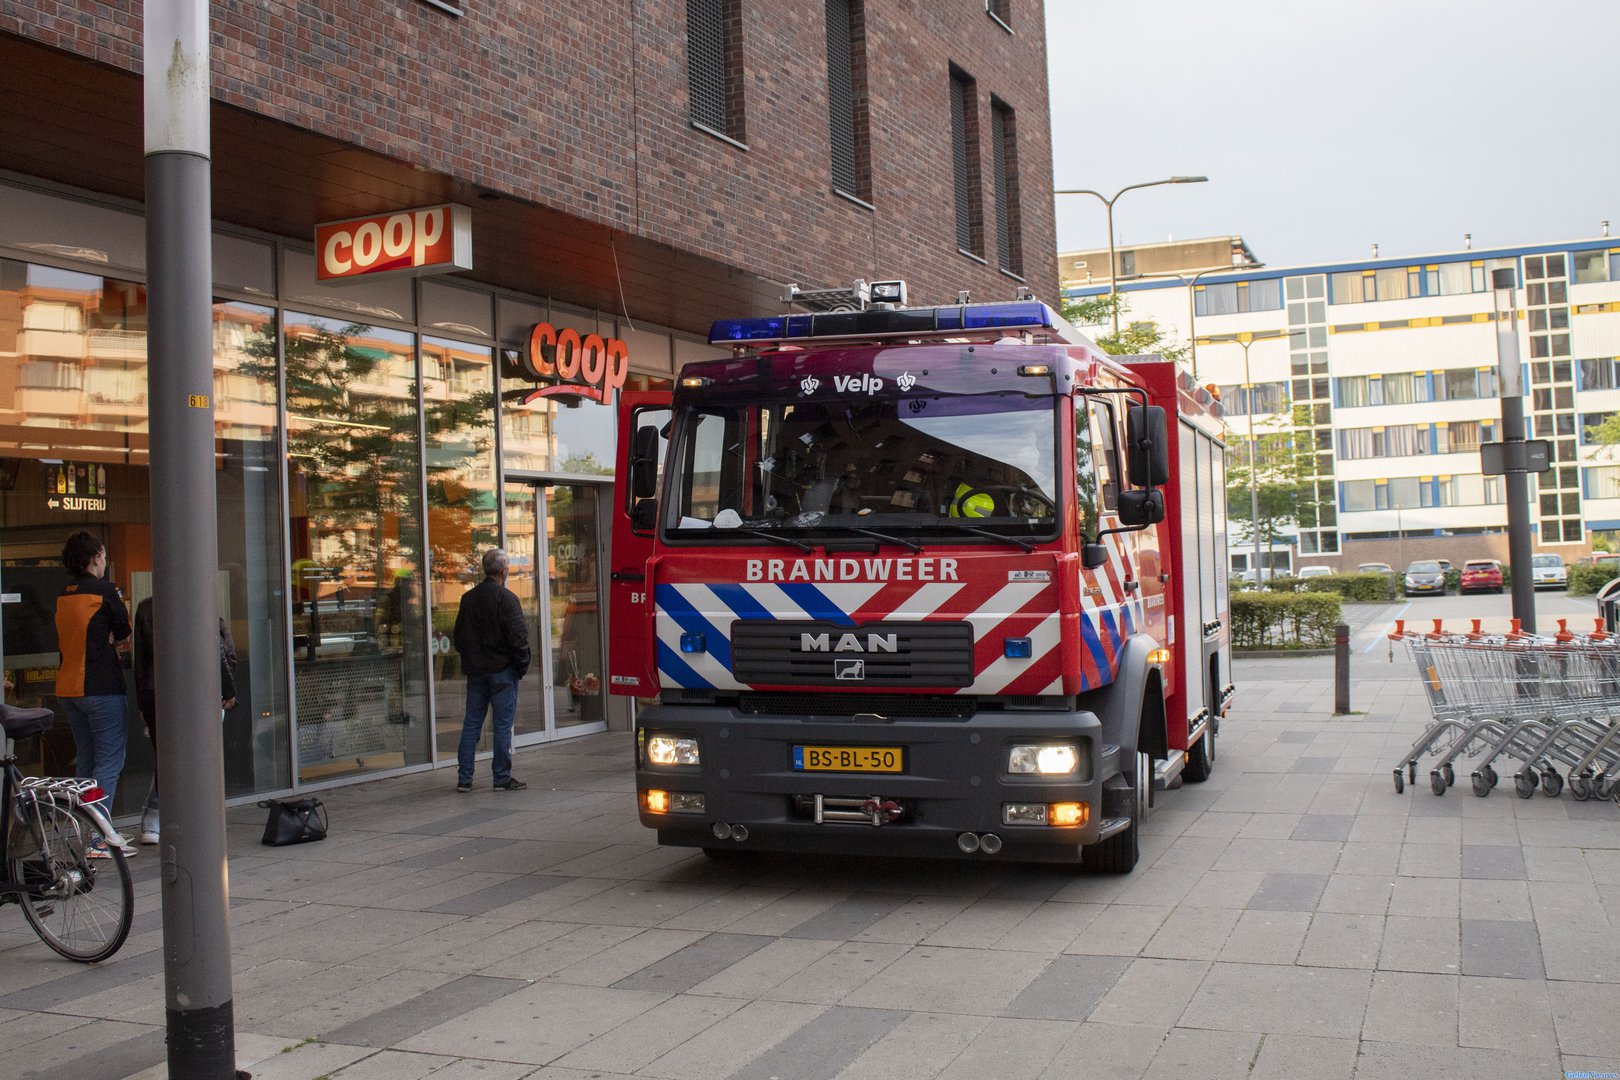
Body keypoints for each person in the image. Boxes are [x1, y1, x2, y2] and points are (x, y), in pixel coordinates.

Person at [131, 597, 238, 845]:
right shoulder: (196, 596)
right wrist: (229, 691)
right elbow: (219, 652)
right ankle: (189, 820)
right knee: (197, 759)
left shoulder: (147, 606)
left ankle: (158, 821)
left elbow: (141, 659)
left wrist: (141, 703)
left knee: (166, 759)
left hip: (154, 692)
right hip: (194, 690)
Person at [54, 531, 134, 857]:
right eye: (101, 555)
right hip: (102, 688)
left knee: (86, 761)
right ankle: (98, 838)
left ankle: (84, 832)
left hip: (68, 688)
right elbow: (124, 629)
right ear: (96, 557)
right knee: (109, 762)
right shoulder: (104, 590)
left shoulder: (63, 593)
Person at [452, 547, 530, 792]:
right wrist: (521, 665)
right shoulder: (506, 598)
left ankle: (465, 778)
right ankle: (501, 777)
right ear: (504, 570)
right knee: (502, 725)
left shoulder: (469, 598)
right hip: (502, 671)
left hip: (477, 671)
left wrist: (470, 659)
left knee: (472, 723)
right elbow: (518, 637)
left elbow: (459, 637)